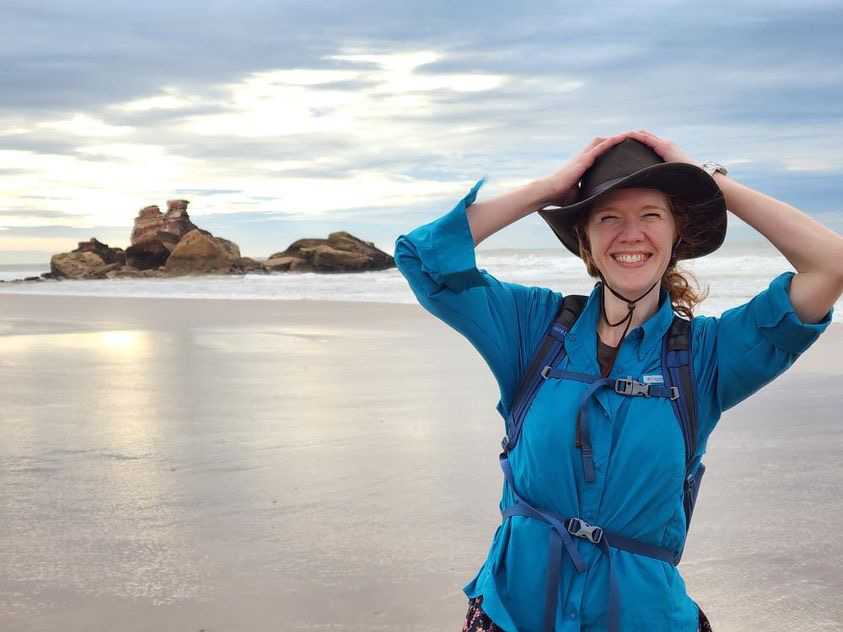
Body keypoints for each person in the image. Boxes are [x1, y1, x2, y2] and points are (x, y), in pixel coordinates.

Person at [393, 130, 842, 632]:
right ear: (586, 239)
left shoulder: (708, 356)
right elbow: (422, 259)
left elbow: (831, 264)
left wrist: (712, 182)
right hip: (513, 614)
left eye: (651, 216)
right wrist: (548, 190)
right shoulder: (531, 328)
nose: (631, 235)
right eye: (608, 217)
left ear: (677, 236)